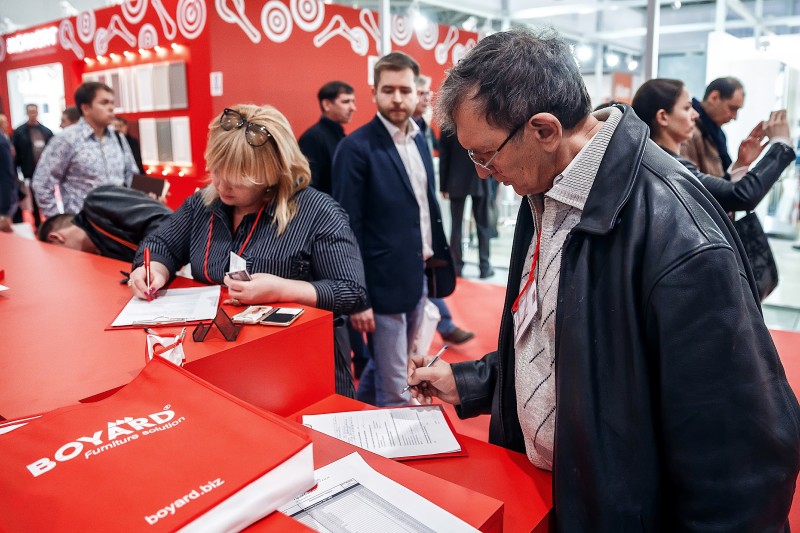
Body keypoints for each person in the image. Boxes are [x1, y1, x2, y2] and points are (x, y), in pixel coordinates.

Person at [407, 28, 800, 529]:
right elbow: (566, 347)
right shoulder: (543, 187)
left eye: (486, 154)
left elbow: (740, 457)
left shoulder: (677, 231)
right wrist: (471, 381)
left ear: (544, 130)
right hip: (562, 495)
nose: (482, 172)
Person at [129, 104, 368, 396]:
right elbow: (161, 244)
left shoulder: (318, 212)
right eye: (216, 171)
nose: (221, 185)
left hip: (296, 369)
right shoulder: (204, 204)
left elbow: (351, 291)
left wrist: (284, 289)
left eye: (237, 179)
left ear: (272, 173)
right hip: (218, 363)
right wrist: (154, 269)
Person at [333, 52, 456, 407]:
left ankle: (359, 416)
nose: (398, 99)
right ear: (374, 92)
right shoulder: (355, 149)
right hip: (379, 284)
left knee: (387, 368)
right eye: (389, 90)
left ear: (418, 91)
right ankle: (390, 437)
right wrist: (359, 298)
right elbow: (347, 230)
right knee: (396, 389)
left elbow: (425, 207)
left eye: (405, 90)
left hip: (418, 274)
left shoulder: (419, 139)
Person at [632, 78, 796, 213]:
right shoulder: (667, 167)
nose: (695, 114)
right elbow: (740, 195)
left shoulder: (658, 162)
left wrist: (741, 164)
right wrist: (780, 145)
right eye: (687, 108)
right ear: (663, 117)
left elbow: (710, 192)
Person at [413, 73, 475, 345]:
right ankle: (445, 325)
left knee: (425, 275)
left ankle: (445, 324)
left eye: (428, 93)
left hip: (426, 216)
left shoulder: (423, 129)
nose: (427, 98)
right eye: (421, 93)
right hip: (411, 221)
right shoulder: (406, 134)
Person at [32, 82, 138, 218]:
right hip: (83, 224)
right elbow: (42, 182)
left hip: (120, 220)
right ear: (86, 108)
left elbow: (131, 174)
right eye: (104, 103)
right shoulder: (67, 139)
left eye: (112, 103)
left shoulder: (118, 138)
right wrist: (59, 221)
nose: (111, 108)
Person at [37, 185, 173, 262]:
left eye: (61, 258)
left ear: (55, 238)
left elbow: (166, 222)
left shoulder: (96, 202)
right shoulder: (100, 254)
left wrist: (153, 263)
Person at [439, 131, 493, 279]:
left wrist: (443, 185)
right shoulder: (480, 119)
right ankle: (484, 266)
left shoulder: (449, 125)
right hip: (480, 178)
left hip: (456, 179)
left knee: (456, 225)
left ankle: (456, 266)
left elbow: (444, 154)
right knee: (483, 225)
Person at [680, 77, 749, 176]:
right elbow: (689, 180)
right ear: (714, 97)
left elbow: (725, 180)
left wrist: (741, 162)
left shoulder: (719, 135)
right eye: (732, 108)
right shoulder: (688, 131)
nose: (734, 116)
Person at [298, 81, 357, 195]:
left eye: (353, 102)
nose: (353, 108)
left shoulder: (340, 136)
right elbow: (306, 187)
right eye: (346, 102)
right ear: (327, 105)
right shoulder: (313, 138)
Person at [12, 103, 53, 226]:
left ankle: (50, 220)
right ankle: (37, 222)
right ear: (27, 113)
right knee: (33, 197)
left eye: (34, 111)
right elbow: (16, 153)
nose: (32, 114)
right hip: (29, 170)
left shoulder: (46, 131)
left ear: (37, 112)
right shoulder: (20, 132)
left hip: (46, 170)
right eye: (30, 112)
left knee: (47, 195)